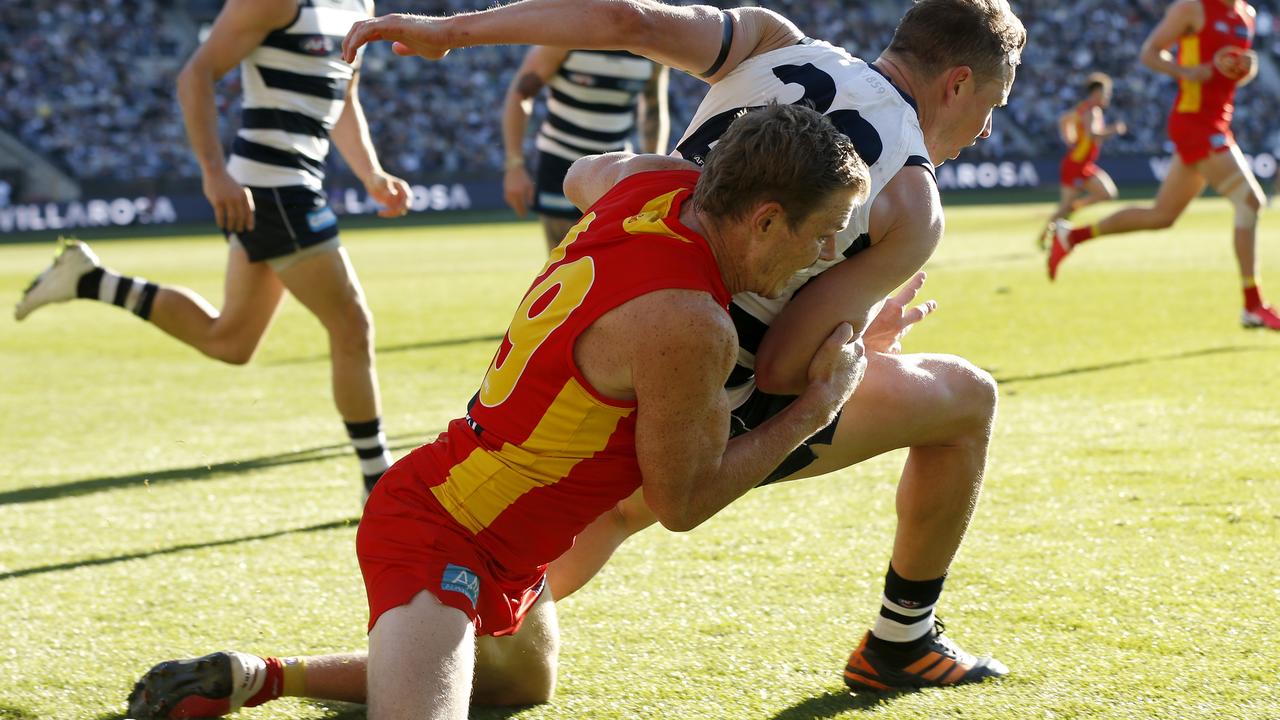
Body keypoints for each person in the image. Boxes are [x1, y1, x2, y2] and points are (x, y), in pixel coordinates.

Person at [126, 0, 1025, 712]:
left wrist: (454, 31)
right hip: (655, 418)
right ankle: (902, 640)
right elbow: (786, 372)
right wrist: (847, 361)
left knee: (524, 659)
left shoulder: (759, 54)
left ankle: (272, 674)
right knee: (964, 398)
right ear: (957, 83)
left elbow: (618, 43)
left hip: (592, 408)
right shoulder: (905, 202)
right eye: (989, 107)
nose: (983, 131)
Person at [13, 0, 414, 496]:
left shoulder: (359, 3)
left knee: (231, 341)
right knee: (352, 325)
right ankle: (379, 484)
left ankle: (89, 279)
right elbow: (195, 76)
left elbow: (343, 96)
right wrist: (213, 172)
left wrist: (371, 173)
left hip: (292, 183)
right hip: (271, 188)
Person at [1047, 0, 1280, 331]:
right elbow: (1150, 52)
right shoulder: (1193, 8)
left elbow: (1227, 74)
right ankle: (1254, 305)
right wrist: (1184, 71)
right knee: (1250, 201)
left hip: (1216, 122)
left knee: (1161, 216)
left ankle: (1071, 236)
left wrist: (1246, 70)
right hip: (1195, 124)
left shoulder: (1248, 15)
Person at [502, 45, 669, 250]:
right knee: (566, 263)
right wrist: (514, 165)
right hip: (560, 165)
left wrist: (655, 176)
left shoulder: (647, 42)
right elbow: (520, 94)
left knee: (615, 264)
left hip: (615, 170)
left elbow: (654, 109)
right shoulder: (567, 34)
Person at [1041, 72, 1126, 245]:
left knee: (1107, 193)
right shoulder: (1092, 111)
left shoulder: (1083, 108)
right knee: (1065, 207)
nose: (1108, 96)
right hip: (1075, 164)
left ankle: (1075, 206)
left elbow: (1064, 120)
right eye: (1106, 93)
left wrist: (1069, 137)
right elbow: (1092, 134)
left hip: (1083, 163)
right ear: (1096, 93)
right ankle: (1044, 237)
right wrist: (1114, 130)